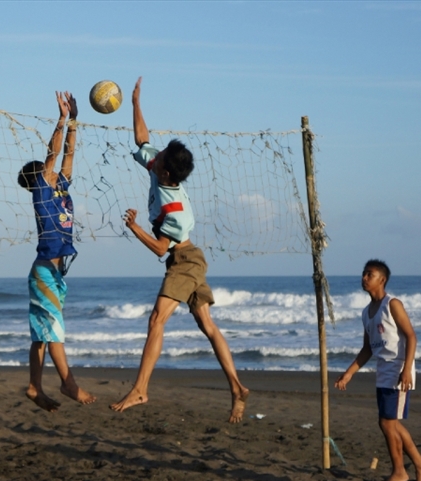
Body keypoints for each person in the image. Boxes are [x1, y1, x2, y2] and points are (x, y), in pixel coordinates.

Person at [110, 77, 250, 423]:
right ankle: (237, 388)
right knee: (207, 325)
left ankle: (141, 388)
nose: (153, 161)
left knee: (156, 319)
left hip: (184, 260)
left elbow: (160, 248)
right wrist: (135, 103)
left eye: (158, 163)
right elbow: (142, 139)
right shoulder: (161, 168)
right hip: (189, 258)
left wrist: (133, 227)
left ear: (168, 174)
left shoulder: (176, 212)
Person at [17, 91, 95, 412]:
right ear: (38, 178)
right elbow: (53, 154)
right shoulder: (41, 192)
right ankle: (68, 383)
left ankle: (35, 387)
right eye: (45, 170)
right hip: (46, 271)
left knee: (41, 335)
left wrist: (75, 121)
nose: (52, 170)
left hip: (50, 273)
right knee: (55, 331)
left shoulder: (60, 186)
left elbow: (68, 156)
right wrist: (61, 120)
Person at [335, 259, 421, 481]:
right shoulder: (366, 312)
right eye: (363, 274)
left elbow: (411, 336)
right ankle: (419, 463)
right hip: (383, 371)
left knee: (387, 423)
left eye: (370, 274)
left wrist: (407, 370)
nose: (364, 278)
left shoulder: (393, 304)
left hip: (398, 369)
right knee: (390, 423)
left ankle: (400, 471)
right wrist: (349, 373)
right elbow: (367, 348)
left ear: (382, 279)